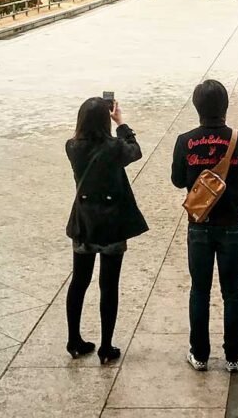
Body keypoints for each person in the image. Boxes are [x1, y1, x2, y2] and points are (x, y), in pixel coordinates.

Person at [172, 80, 238, 374]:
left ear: (197, 107)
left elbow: (177, 180)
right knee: (232, 292)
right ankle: (233, 356)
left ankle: (199, 355)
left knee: (199, 291)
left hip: (198, 227)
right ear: (225, 106)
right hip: (231, 229)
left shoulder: (185, 141)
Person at [65, 97, 148, 365]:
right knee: (108, 286)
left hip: (84, 225)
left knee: (79, 281)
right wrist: (121, 122)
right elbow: (135, 150)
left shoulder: (72, 147)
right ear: (105, 121)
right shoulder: (114, 149)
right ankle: (105, 346)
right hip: (112, 226)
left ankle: (74, 339)